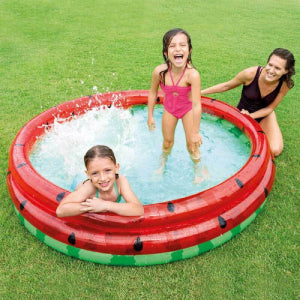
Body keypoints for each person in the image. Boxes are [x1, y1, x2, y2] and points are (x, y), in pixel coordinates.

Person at [202, 48, 295, 157]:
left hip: (265, 114)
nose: (271, 70)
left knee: (274, 150)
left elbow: (270, 108)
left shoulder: (285, 84)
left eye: (278, 68)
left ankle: (264, 128)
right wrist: (198, 92)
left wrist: (251, 116)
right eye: (270, 65)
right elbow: (226, 86)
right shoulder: (250, 74)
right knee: (231, 144)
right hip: (242, 113)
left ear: (286, 71)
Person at [147, 28, 205, 182]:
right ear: (166, 52)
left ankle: (198, 171)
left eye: (182, 45)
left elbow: (197, 104)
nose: (178, 49)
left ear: (189, 50)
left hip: (188, 110)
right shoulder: (159, 72)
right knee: (167, 142)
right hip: (170, 110)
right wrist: (150, 115)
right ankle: (162, 165)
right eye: (172, 46)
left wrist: (195, 131)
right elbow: (153, 93)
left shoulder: (192, 75)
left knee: (192, 145)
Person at [56, 145, 144, 217]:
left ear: (116, 168)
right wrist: (91, 207)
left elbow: (138, 209)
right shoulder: (89, 187)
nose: (102, 178)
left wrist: (105, 205)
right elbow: (61, 210)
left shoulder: (120, 182)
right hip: (79, 185)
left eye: (107, 170)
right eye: (95, 173)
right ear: (88, 174)